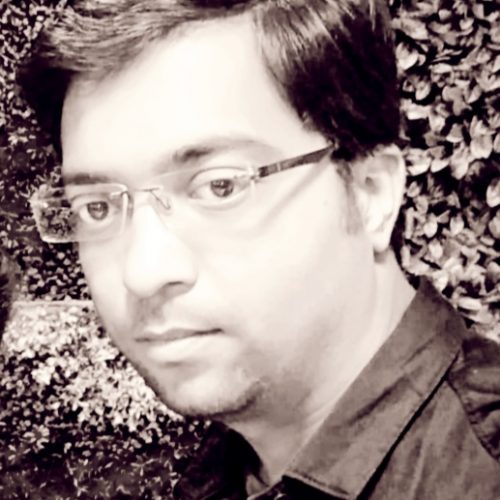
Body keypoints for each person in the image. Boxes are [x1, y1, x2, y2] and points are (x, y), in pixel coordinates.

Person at [22, 0, 500, 498]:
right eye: (98, 207)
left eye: (220, 186)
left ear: (370, 193)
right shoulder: (229, 471)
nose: (143, 271)